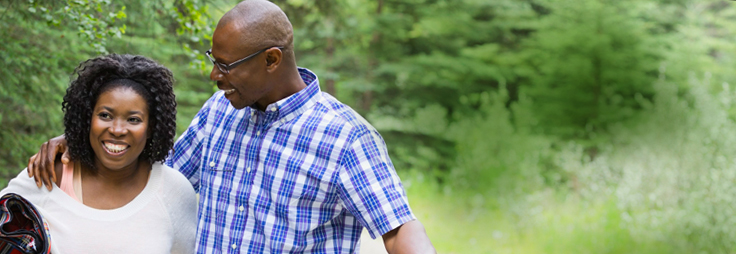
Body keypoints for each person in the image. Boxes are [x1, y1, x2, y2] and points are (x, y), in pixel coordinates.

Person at [27, 0, 435, 253]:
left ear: (271, 60)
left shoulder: (345, 137)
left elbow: (398, 232)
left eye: (225, 65)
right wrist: (84, 142)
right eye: (213, 58)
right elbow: (154, 171)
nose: (214, 75)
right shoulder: (220, 112)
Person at [8, 54, 197, 253]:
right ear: (88, 118)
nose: (117, 129)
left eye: (133, 120)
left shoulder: (173, 191)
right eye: (105, 115)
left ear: (151, 127)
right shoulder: (49, 174)